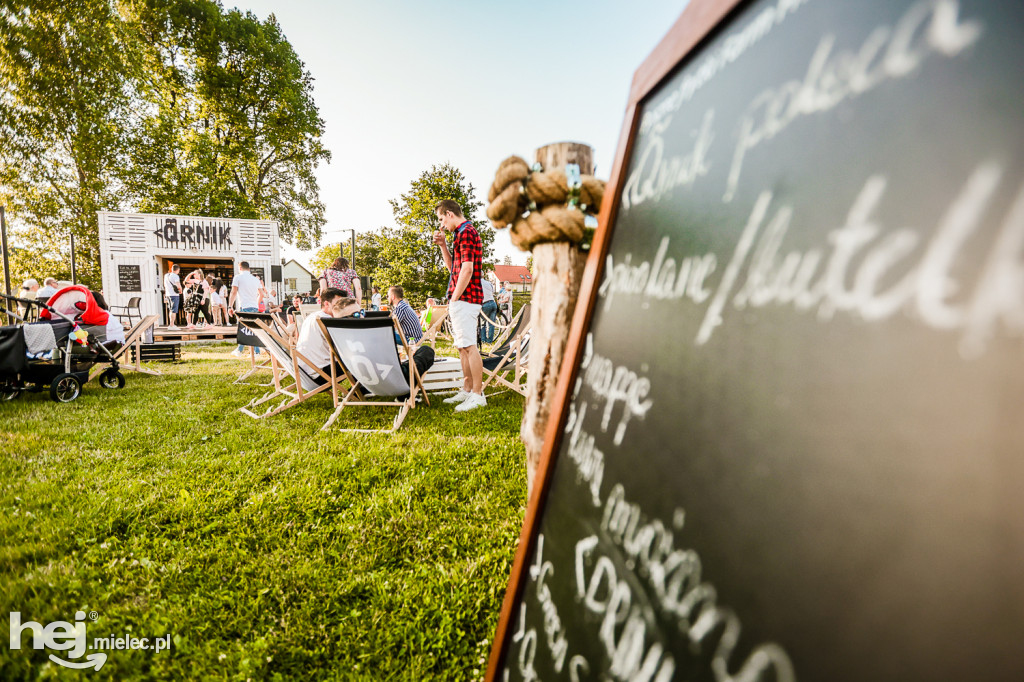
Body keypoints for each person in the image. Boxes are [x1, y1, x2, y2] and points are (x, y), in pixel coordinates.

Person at [433, 199, 486, 412]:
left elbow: (467, 270)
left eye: (441, 219)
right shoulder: (460, 234)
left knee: (469, 347)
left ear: (449, 213)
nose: (441, 224)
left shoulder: (466, 232)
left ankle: (477, 394)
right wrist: (443, 245)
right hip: (461, 297)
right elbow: (453, 268)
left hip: (466, 298)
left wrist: (454, 298)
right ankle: (467, 389)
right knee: (463, 347)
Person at [333, 295, 435, 395]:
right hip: (395, 382)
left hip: (367, 382)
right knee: (426, 351)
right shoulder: (374, 335)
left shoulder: (339, 339)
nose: (362, 316)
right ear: (344, 319)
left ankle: (360, 389)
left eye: (362, 312)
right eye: (356, 315)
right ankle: (404, 395)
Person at [295, 288, 345, 383]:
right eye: (338, 303)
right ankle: (360, 391)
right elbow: (343, 347)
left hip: (305, 374)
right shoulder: (327, 320)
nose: (342, 306)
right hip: (320, 374)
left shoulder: (312, 316)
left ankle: (354, 390)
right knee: (360, 359)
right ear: (326, 303)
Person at [228, 261, 263, 356]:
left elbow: (233, 292)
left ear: (240, 268)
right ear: (249, 268)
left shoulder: (238, 277)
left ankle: (241, 351)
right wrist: (256, 303)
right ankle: (255, 351)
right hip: (254, 307)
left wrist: (230, 306)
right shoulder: (256, 280)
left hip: (244, 306)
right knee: (253, 329)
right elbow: (261, 294)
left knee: (243, 329)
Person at [163, 265, 182, 330]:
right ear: (178, 270)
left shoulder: (166, 275)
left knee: (171, 309)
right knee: (174, 310)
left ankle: (171, 324)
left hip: (168, 294)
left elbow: (165, 285)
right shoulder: (176, 276)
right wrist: (181, 291)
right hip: (174, 294)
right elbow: (178, 286)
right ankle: (171, 325)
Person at [480, 275, 497, 344]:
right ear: (483, 276)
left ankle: (483, 340)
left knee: (482, 324)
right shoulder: (488, 283)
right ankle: (489, 341)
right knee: (491, 324)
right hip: (493, 303)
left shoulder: (477, 283)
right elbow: (492, 292)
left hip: (485, 304)